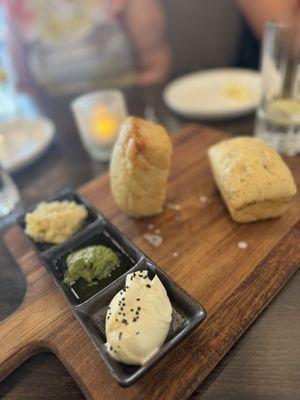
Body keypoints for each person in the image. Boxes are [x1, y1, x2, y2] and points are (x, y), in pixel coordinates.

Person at [4, 0, 171, 94]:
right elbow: (23, 87)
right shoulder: (16, 5)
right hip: (60, 127)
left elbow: (155, 68)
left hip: (128, 106)